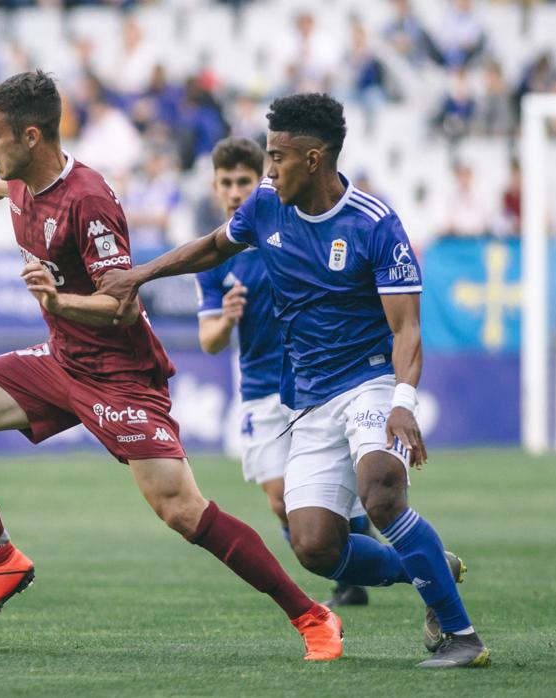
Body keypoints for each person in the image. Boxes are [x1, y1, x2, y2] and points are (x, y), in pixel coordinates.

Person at [0, 71, 343, 660]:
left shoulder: (88, 200)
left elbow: (122, 305)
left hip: (119, 375)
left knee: (182, 511)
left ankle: (313, 617)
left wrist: (58, 302)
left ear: (32, 136)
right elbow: (15, 194)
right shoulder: (19, 180)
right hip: (62, 360)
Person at [98, 93, 489, 669]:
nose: (268, 169)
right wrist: (141, 273)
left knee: (380, 488)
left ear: (314, 158)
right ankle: (428, 567)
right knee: (313, 545)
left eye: (277, 157)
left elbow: (406, 329)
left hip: (372, 382)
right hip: (309, 399)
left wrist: (403, 400)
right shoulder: (263, 208)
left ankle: (462, 636)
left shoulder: (374, 224)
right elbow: (211, 247)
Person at [195, 136, 375, 609]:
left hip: (312, 385)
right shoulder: (215, 260)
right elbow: (208, 343)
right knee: (280, 501)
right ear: (216, 189)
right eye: (227, 183)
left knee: (334, 495)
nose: (235, 192)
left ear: (263, 184)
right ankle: (350, 558)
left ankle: (352, 575)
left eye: (244, 182)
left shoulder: (287, 237)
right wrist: (227, 319)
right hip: (258, 390)